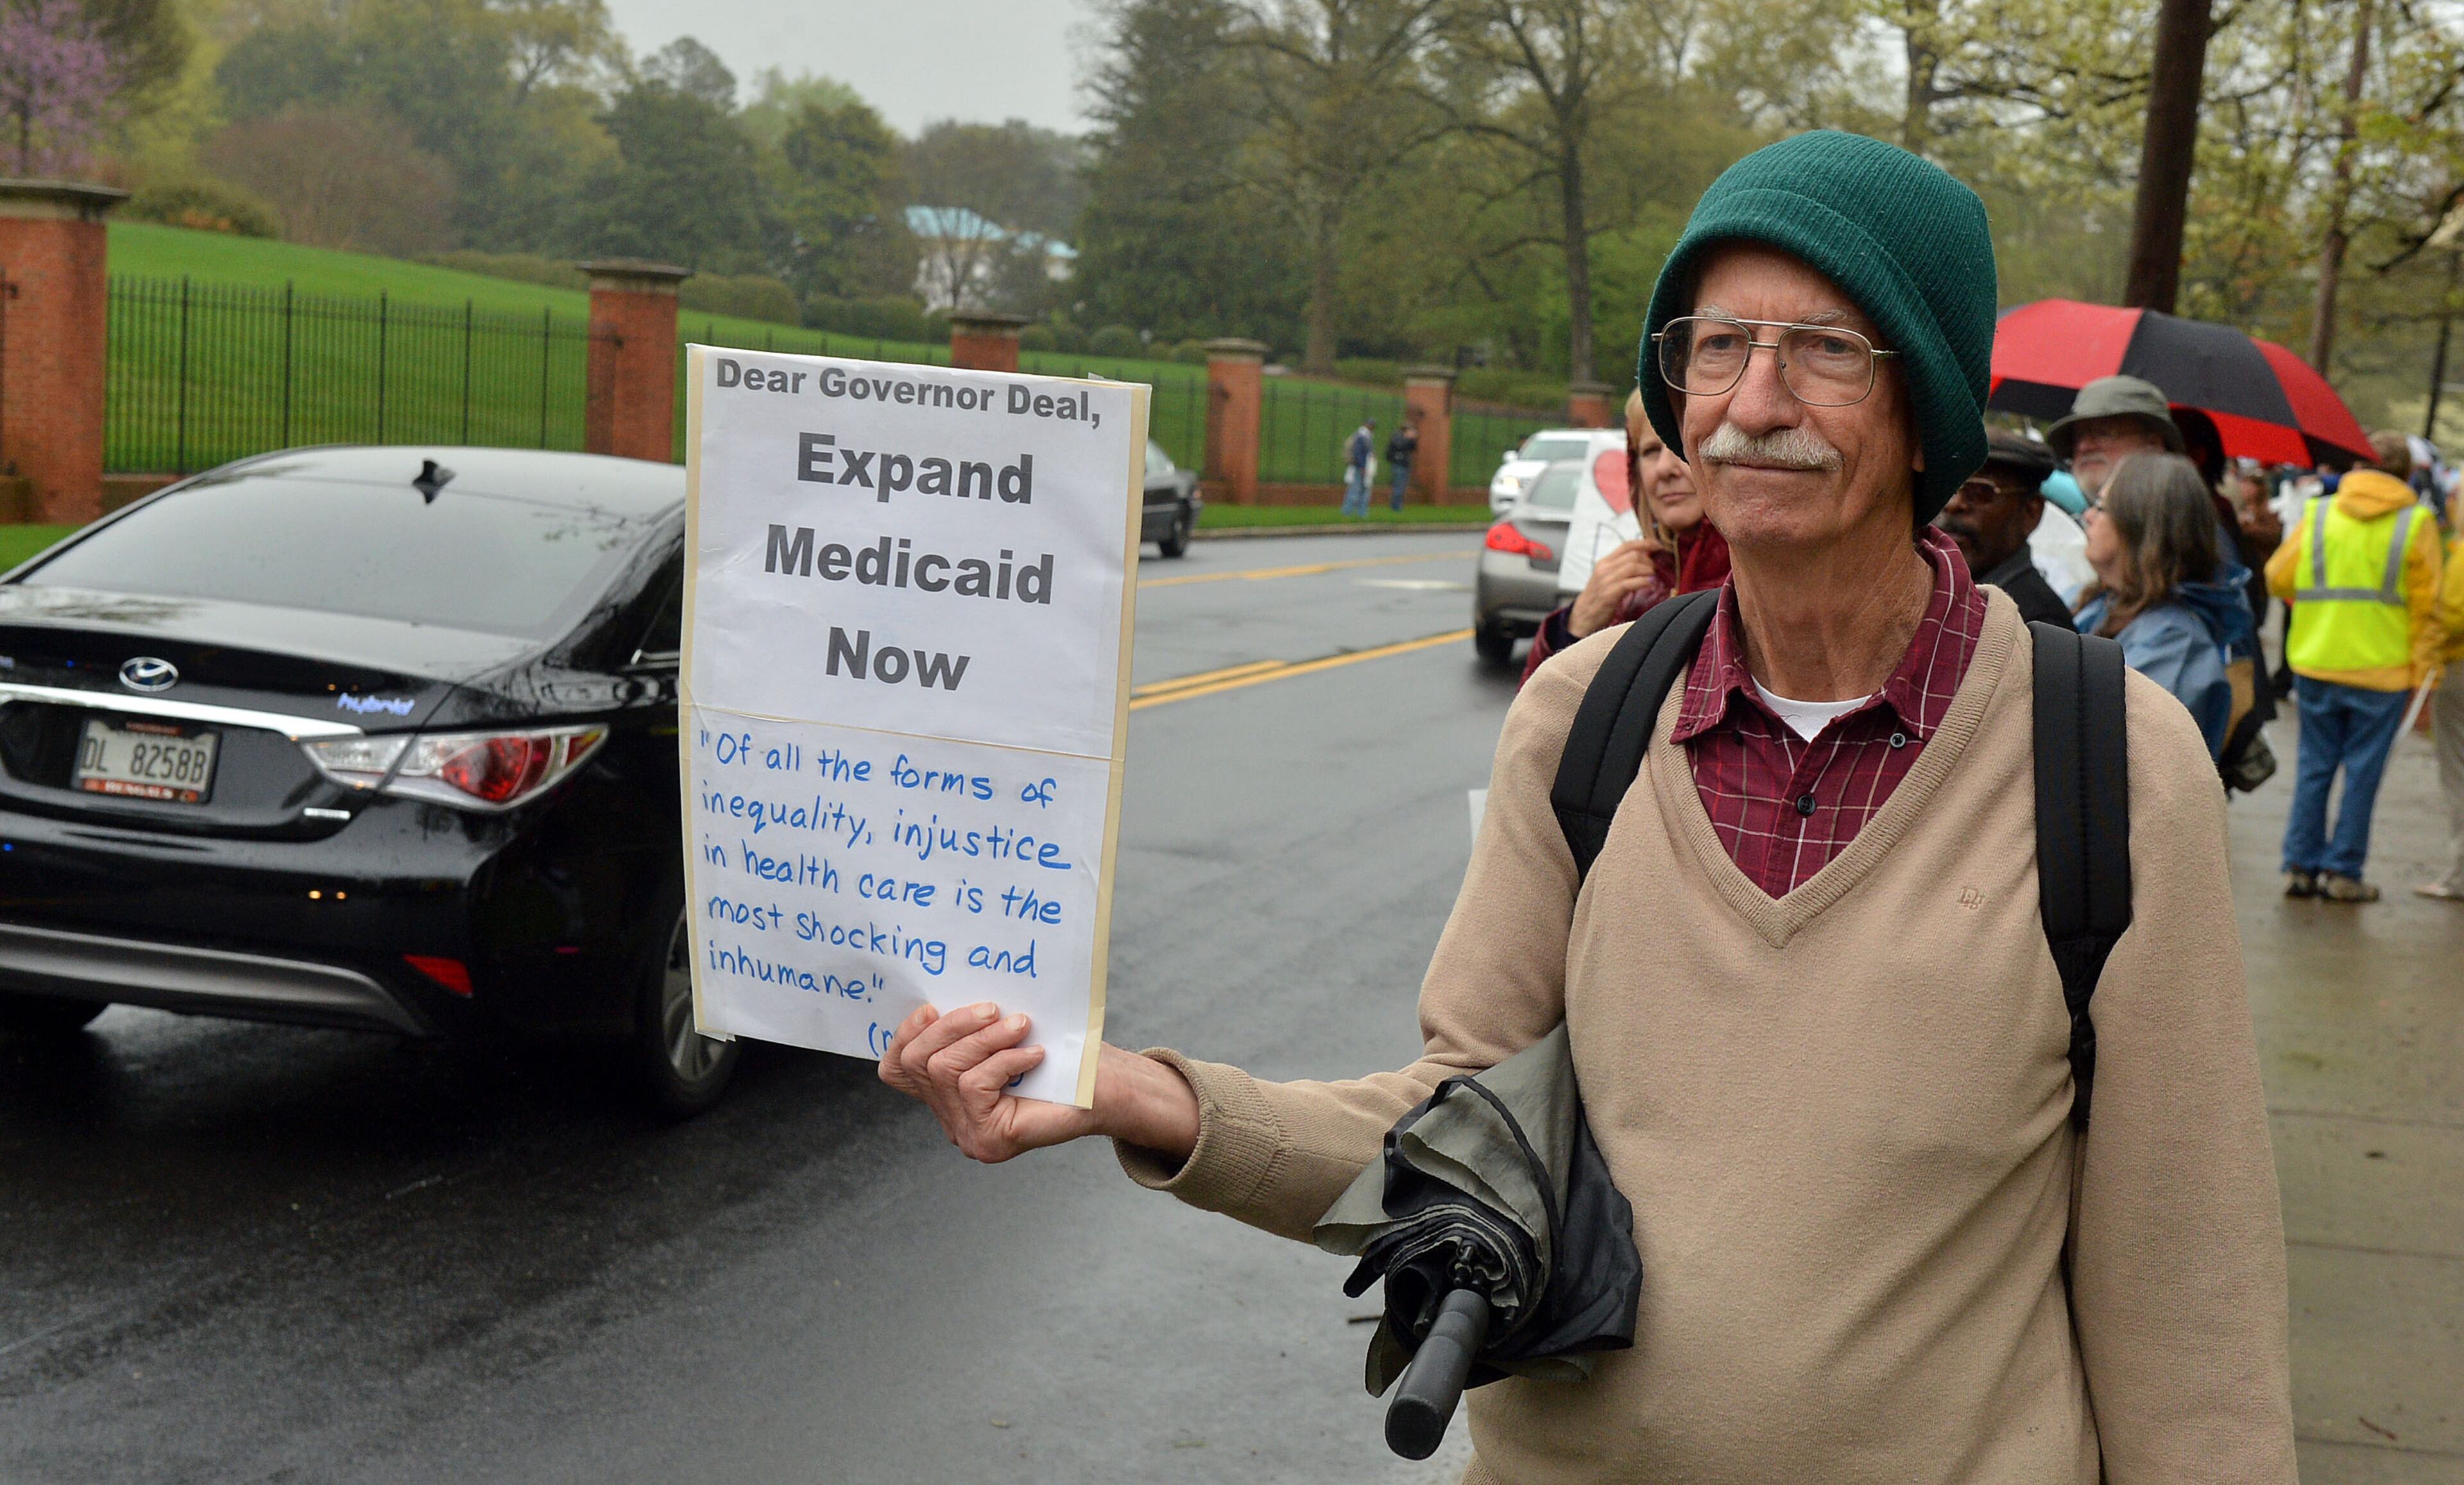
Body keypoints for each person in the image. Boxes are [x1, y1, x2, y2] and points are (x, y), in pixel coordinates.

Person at [880, 130, 2293, 1482]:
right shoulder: (1587, 717)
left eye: (1823, 353)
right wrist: (1148, 1094)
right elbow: (1457, 1127)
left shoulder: (2107, 759)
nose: (1752, 403)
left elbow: (2189, 1297)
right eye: (1716, 345)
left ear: (1922, 397)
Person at [2268, 463, 2445, 902]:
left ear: (2360, 466)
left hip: (2317, 661)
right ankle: (2344, 872)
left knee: (2314, 768)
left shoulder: (2321, 512)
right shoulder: (2417, 522)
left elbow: (2277, 577)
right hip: (2382, 671)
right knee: (2363, 775)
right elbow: (2430, 607)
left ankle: (2300, 867)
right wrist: (2424, 676)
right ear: (2406, 473)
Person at [1519, 389, 1730, 684]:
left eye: (1680, 445)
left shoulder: (1763, 579)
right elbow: (1541, 719)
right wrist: (1574, 626)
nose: (1664, 469)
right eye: (1650, 451)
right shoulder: (1628, 585)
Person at [2074, 454, 2252, 758]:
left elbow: (2102, 749)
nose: (2089, 516)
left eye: (2102, 507)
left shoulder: (2174, 641)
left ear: (2140, 525)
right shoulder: (2109, 602)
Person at [1934, 429, 2072, 628]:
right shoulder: (1940, 594)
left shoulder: (2037, 624)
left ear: (2030, 512)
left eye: (1981, 492)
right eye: (1947, 487)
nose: (1954, 504)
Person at [2418, 521, 2464, 901]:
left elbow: (2451, 617)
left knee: (2458, 774)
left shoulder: (2461, 560)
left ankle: (2460, 874)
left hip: (2458, 671)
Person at [1341, 419, 1376, 517]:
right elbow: (1359, 453)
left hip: (1361, 466)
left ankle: (1358, 512)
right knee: (1357, 489)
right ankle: (1349, 511)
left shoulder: (1363, 435)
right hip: (1360, 467)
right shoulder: (1362, 436)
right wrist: (1362, 467)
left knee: (1360, 489)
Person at [1386, 418, 1419, 512]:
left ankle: (1398, 505)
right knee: (1398, 485)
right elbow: (1399, 446)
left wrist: (1413, 440)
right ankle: (1395, 506)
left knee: (1403, 486)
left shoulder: (1407, 438)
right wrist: (1408, 438)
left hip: (1405, 464)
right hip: (1398, 464)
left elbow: (1412, 449)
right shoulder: (1397, 437)